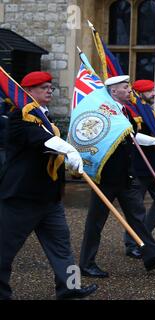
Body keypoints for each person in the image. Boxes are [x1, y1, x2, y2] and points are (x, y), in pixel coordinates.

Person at [0, 71, 97, 299]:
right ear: (28, 91)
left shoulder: (44, 115)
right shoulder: (19, 116)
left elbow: (48, 143)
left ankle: (71, 289)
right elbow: (39, 139)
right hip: (22, 198)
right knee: (4, 250)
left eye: (50, 87)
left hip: (49, 197)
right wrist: (68, 148)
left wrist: (68, 153)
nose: (49, 91)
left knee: (62, 248)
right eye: (43, 87)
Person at [79, 75, 155, 278]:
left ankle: (150, 255)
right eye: (125, 87)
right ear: (114, 91)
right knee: (96, 222)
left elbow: (132, 134)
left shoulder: (123, 111)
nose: (129, 90)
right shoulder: (104, 111)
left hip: (126, 175)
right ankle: (86, 264)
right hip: (105, 177)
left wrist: (152, 140)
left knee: (138, 216)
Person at [122, 79, 155, 259]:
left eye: (153, 90)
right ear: (139, 93)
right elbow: (133, 135)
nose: (153, 94)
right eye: (149, 91)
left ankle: (144, 237)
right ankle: (132, 243)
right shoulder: (131, 111)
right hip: (139, 167)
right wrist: (153, 141)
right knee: (136, 209)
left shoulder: (150, 111)